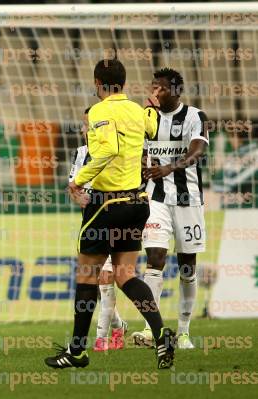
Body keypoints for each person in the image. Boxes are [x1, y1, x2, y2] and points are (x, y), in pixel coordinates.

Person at [44, 59, 176, 370]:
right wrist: (151, 108)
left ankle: (76, 352)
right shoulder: (134, 109)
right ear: (124, 82)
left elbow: (107, 150)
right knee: (126, 274)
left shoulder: (100, 110)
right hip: (137, 201)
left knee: (87, 276)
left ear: (97, 83)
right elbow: (154, 128)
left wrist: (78, 180)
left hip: (107, 203)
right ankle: (160, 335)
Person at [132, 68, 208, 350]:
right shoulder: (145, 119)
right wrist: (140, 166)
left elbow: (197, 151)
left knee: (187, 266)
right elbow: (139, 152)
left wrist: (168, 167)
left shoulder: (194, 116)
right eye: (153, 88)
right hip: (156, 199)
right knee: (155, 257)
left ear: (176, 90)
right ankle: (153, 329)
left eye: (161, 88)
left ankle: (184, 331)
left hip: (188, 200)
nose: (155, 93)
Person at [68, 108, 128, 353]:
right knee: (101, 283)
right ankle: (118, 325)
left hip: (116, 221)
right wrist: (78, 197)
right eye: (84, 126)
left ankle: (101, 339)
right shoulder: (81, 153)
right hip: (91, 224)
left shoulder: (115, 153)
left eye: (89, 125)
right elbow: (72, 186)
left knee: (107, 281)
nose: (85, 130)